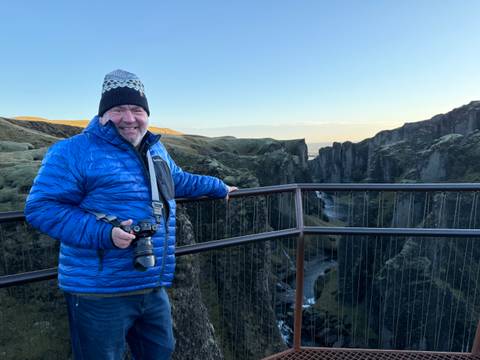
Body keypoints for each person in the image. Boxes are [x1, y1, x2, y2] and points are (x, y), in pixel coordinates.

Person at [24, 69, 237, 360]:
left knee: (161, 351)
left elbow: (176, 180)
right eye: (118, 109)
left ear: (146, 113)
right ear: (103, 114)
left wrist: (217, 186)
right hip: (98, 291)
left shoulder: (154, 148)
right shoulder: (71, 152)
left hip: (150, 282)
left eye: (136, 109)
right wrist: (104, 233)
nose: (129, 118)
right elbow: (41, 208)